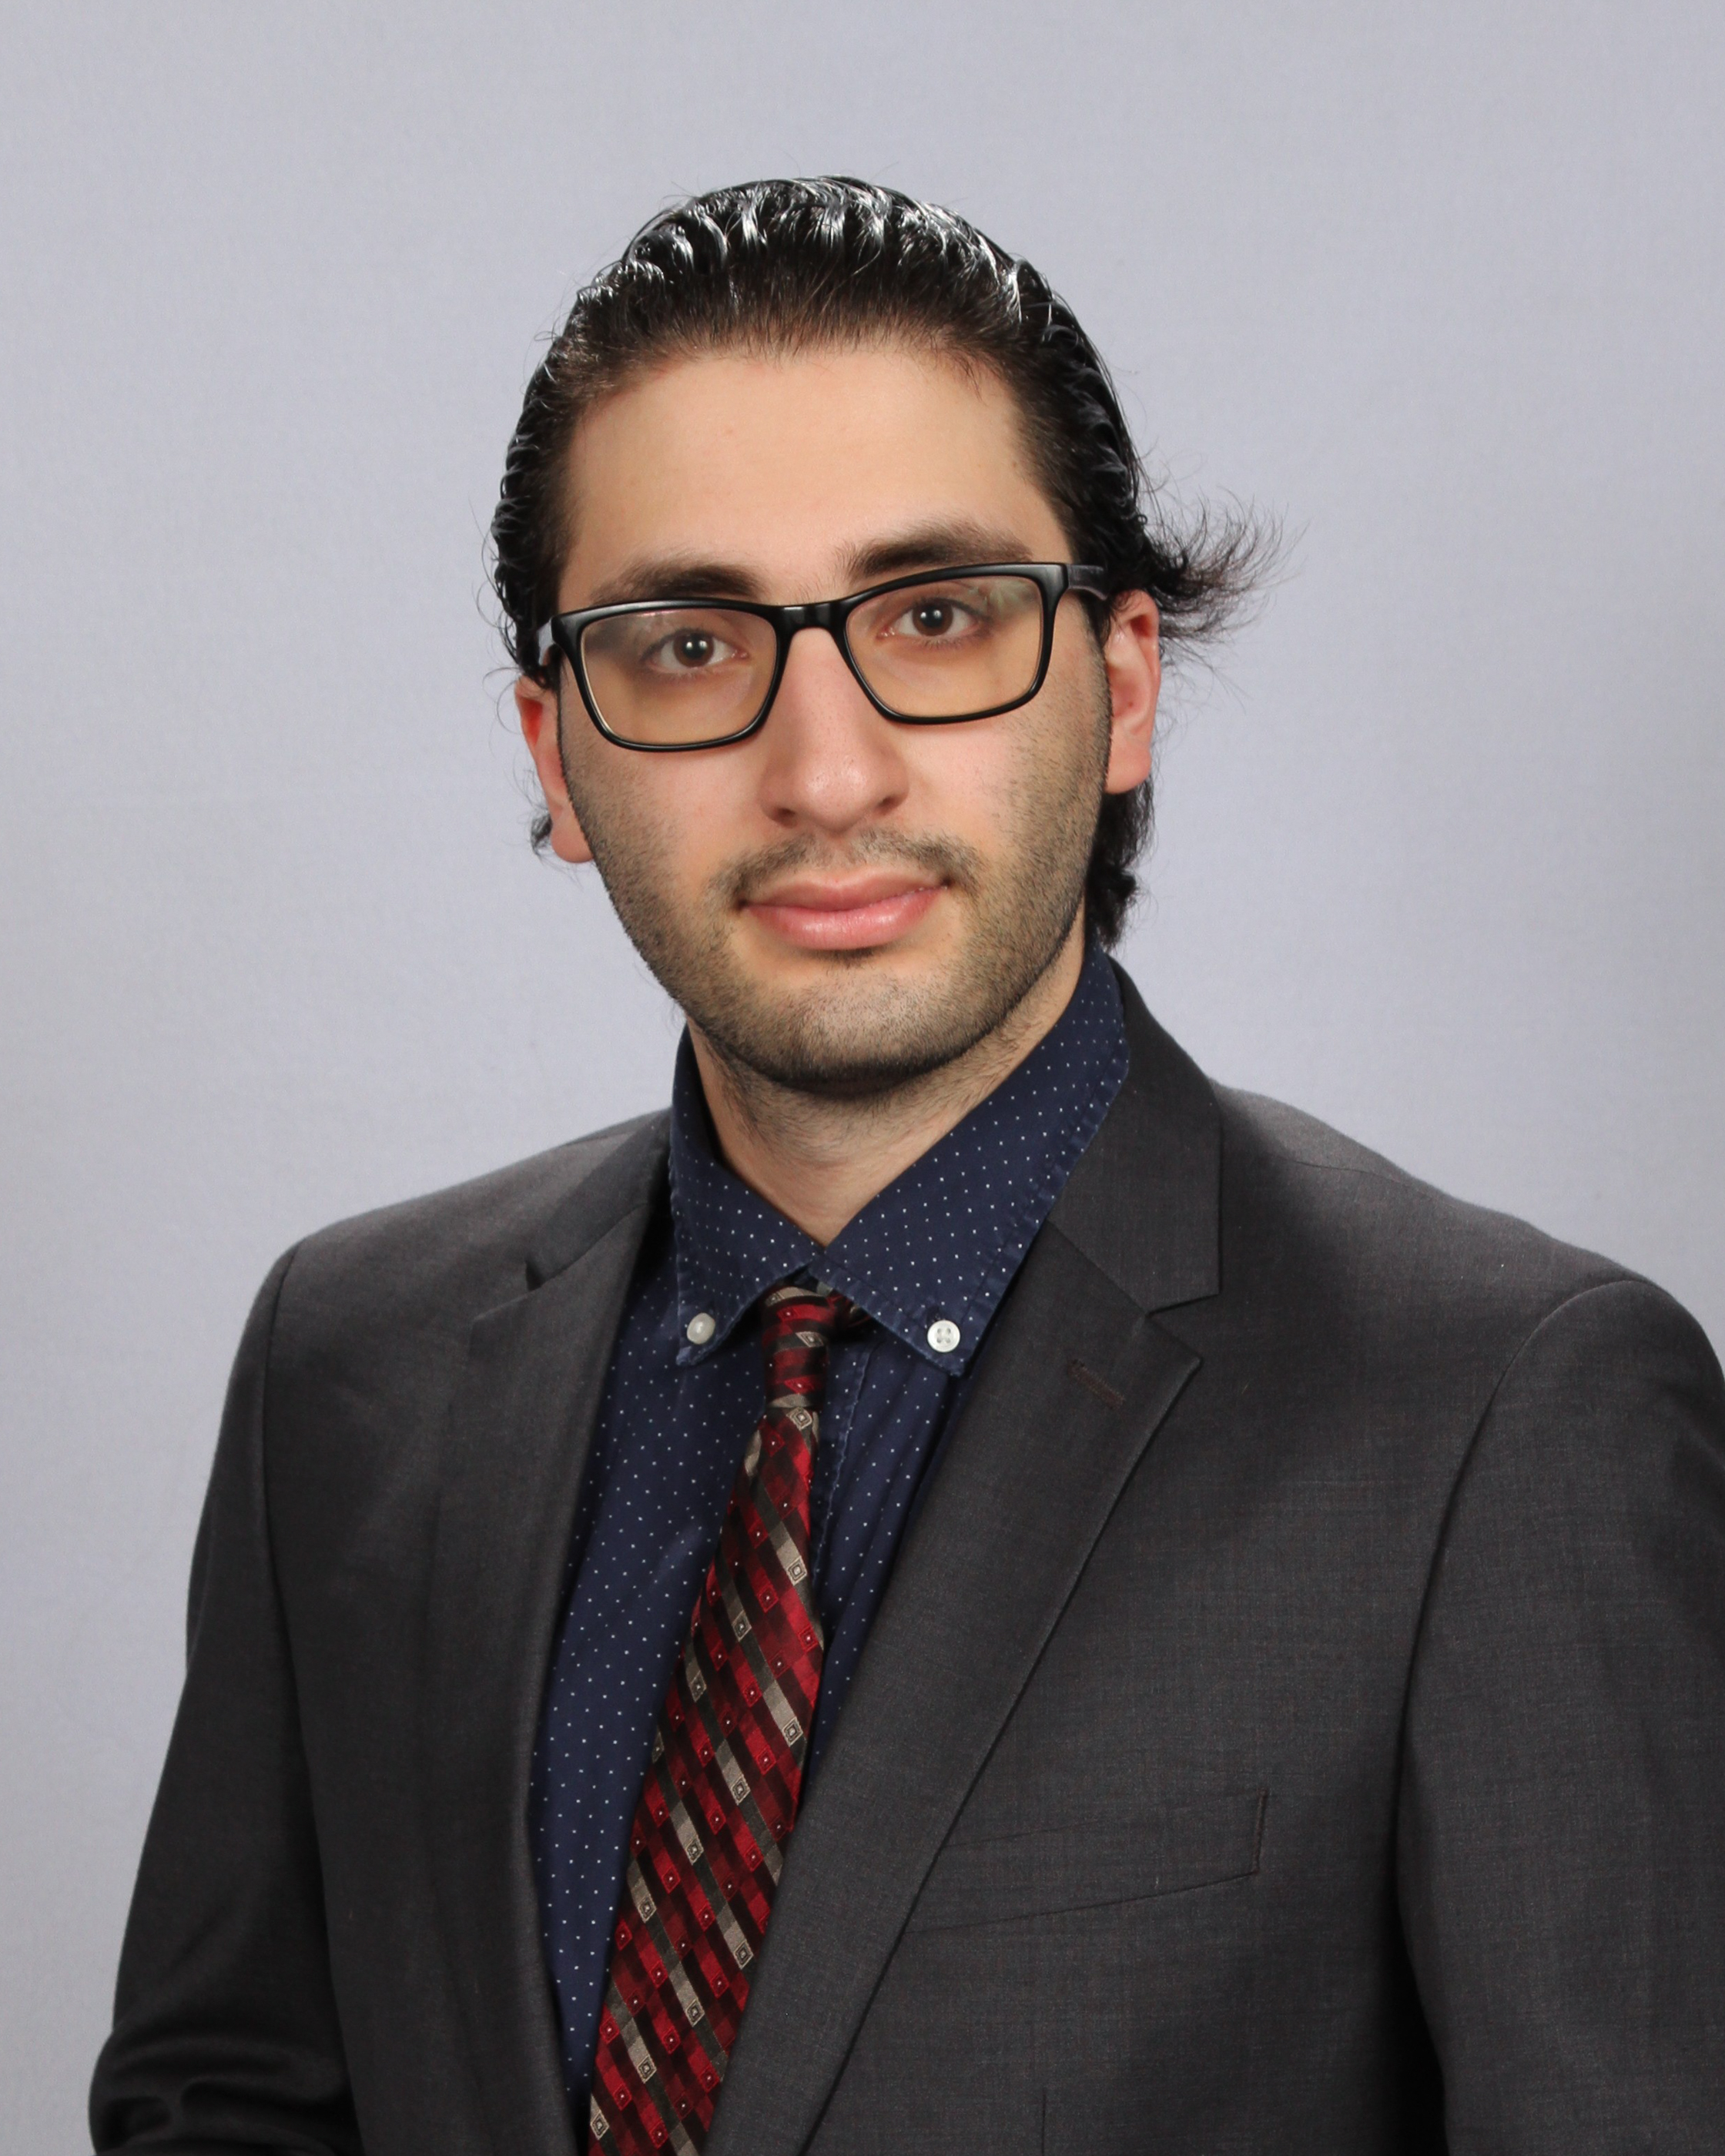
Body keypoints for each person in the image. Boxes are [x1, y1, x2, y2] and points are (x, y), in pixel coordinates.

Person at [91, 178, 1725, 2156]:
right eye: (688, 643)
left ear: (1122, 686)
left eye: (935, 616)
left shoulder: (1500, 1413)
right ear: (556, 750)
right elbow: (228, 2097)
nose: (826, 770)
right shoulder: (349, 1363)